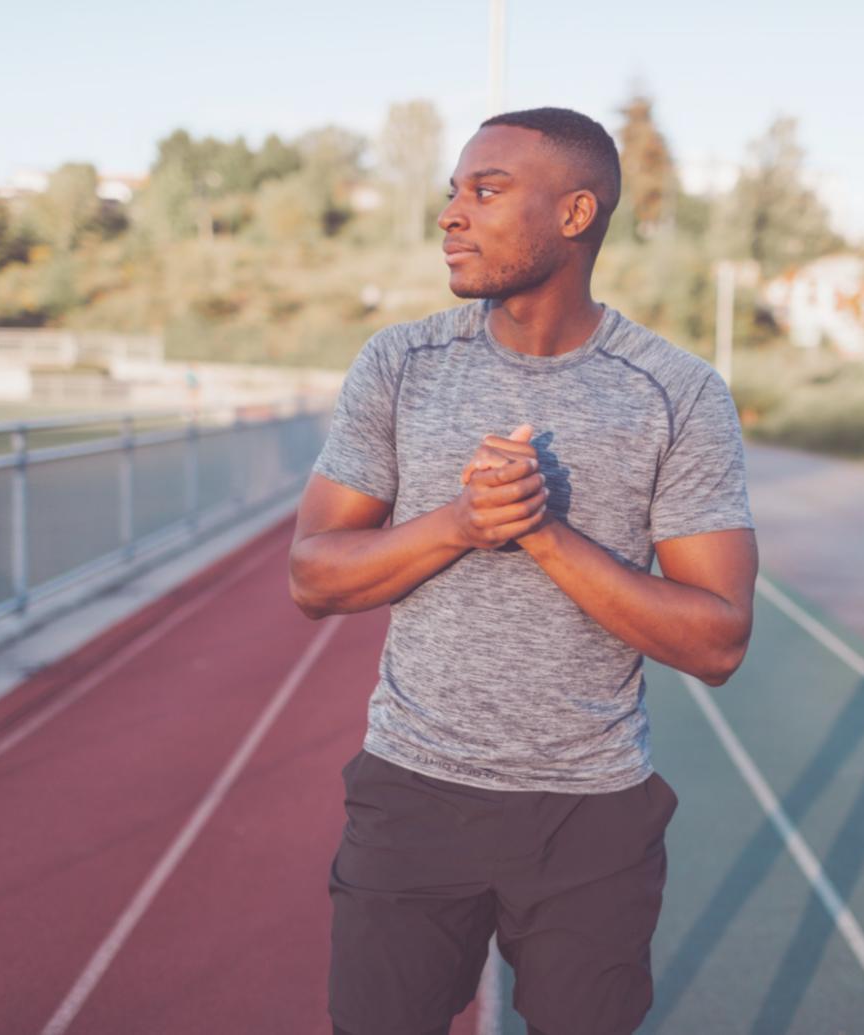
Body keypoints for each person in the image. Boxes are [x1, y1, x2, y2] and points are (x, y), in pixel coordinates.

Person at [289, 106, 758, 1035]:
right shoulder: (401, 364)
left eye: (487, 190)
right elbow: (313, 576)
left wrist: (544, 535)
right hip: (412, 793)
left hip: (592, 815)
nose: (451, 213)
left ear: (576, 213)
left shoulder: (679, 393)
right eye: (454, 190)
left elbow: (718, 641)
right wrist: (461, 523)